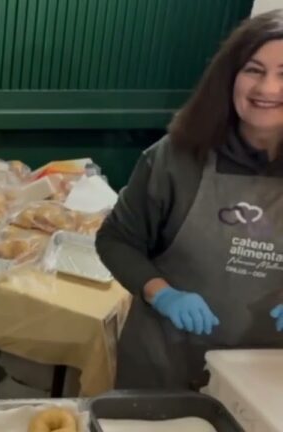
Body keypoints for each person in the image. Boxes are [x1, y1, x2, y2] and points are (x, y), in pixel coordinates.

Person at [96, 10, 283, 390]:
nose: (268, 89)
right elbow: (116, 240)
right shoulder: (175, 159)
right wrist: (162, 294)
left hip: (265, 377)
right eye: (253, 69)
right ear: (229, 76)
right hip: (164, 362)